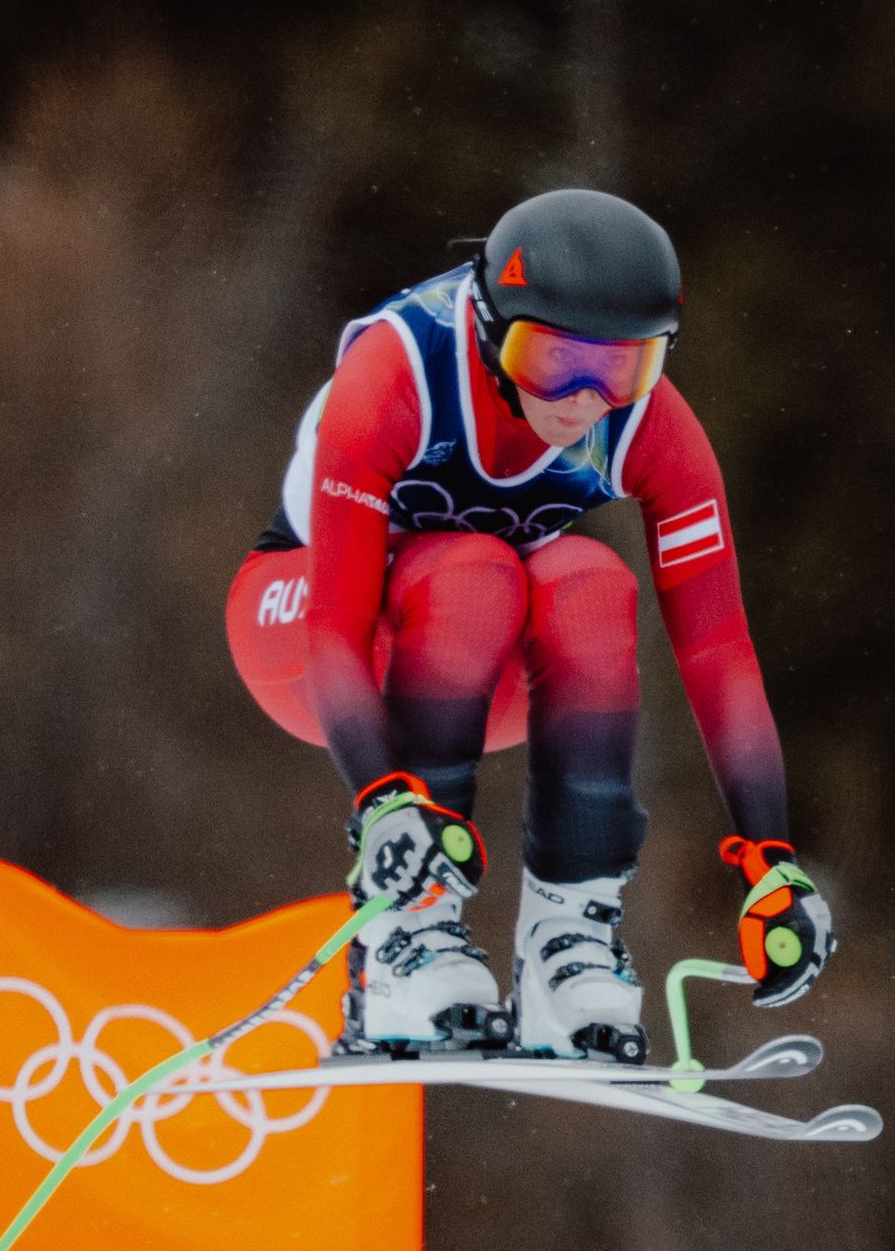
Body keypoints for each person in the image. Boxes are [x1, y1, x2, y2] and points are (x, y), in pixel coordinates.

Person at [223, 187, 834, 1059]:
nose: (585, 400)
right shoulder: (401, 373)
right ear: (488, 328)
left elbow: (718, 647)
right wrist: (382, 798)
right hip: (305, 636)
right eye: (551, 360)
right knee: (468, 568)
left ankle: (566, 941)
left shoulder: (644, 426)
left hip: (466, 665)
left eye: (622, 369)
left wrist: (771, 855)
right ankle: (403, 938)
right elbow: (334, 624)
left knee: (590, 578)